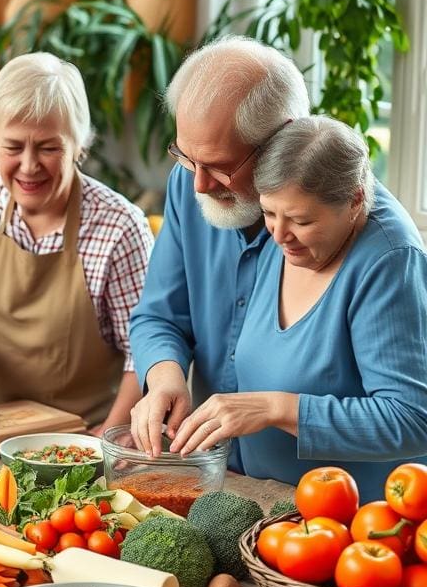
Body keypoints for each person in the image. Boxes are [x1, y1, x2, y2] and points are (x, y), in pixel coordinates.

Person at [166, 116, 427, 500]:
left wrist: (277, 408)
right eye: (269, 214)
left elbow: (411, 418)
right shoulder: (290, 237)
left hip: (356, 522)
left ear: (355, 200)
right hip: (263, 498)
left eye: (301, 220)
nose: (279, 235)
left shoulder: (389, 261)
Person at [0, 52, 154, 427]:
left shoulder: (119, 226)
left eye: (49, 147)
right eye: (13, 147)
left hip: (83, 435)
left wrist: (107, 438)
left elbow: (143, 354)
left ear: (80, 145)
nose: (29, 166)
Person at [129, 36, 310, 458]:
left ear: (282, 140)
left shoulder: (371, 238)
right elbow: (159, 314)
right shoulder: (190, 185)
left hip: (328, 507)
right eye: (187, 158)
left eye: (221, 167)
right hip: (223, 483)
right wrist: (165, 376)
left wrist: (277, 409)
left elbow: (412, 416)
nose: (199, 184)